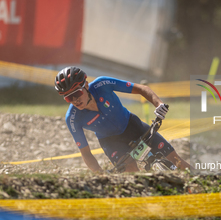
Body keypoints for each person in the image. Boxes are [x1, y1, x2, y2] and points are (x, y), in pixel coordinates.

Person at [54, 66, 190, 173]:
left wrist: (159, 104)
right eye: (68, 98)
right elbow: (86, 153)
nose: (75, 100)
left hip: (132, 125)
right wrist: (100, 174)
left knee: (177, 162)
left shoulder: (102, 84)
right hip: (111, 142)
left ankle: (208, 183)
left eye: (77, 93)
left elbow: (142, 89)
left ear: (87, 85)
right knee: (131, 172)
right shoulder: (72, 118)